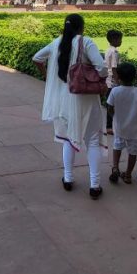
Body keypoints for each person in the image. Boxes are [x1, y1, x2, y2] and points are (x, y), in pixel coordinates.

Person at [32, 14, 108, 200]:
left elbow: (37, 58)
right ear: (82, 27)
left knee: (67, 139)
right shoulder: (86, 42)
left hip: (63, 100)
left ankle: (68, 178)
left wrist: (47, 76)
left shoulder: (57, 42)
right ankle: (94, 185)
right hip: (85, 98)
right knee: (92, 141)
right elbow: (102, 68)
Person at [107, 63, 137, 184]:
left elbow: (110, 107)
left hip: (119, 127)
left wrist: (113, 115)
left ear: (118, 77)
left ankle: (115, 167)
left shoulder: (115, 91)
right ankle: (128, 175)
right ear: (134, 77)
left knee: (117, 147)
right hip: (135, 129)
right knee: (133, 152)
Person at [104, 29, 123, 134]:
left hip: (108, 81)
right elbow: (114, 68)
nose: (121, 41)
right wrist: (118, 82)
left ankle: (110, 126)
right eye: (120, 39)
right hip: (112, 82)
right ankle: (110, 126)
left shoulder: (108, 50)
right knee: (112, 105)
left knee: (110, 104)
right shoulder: (114, 52)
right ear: (114, 39)